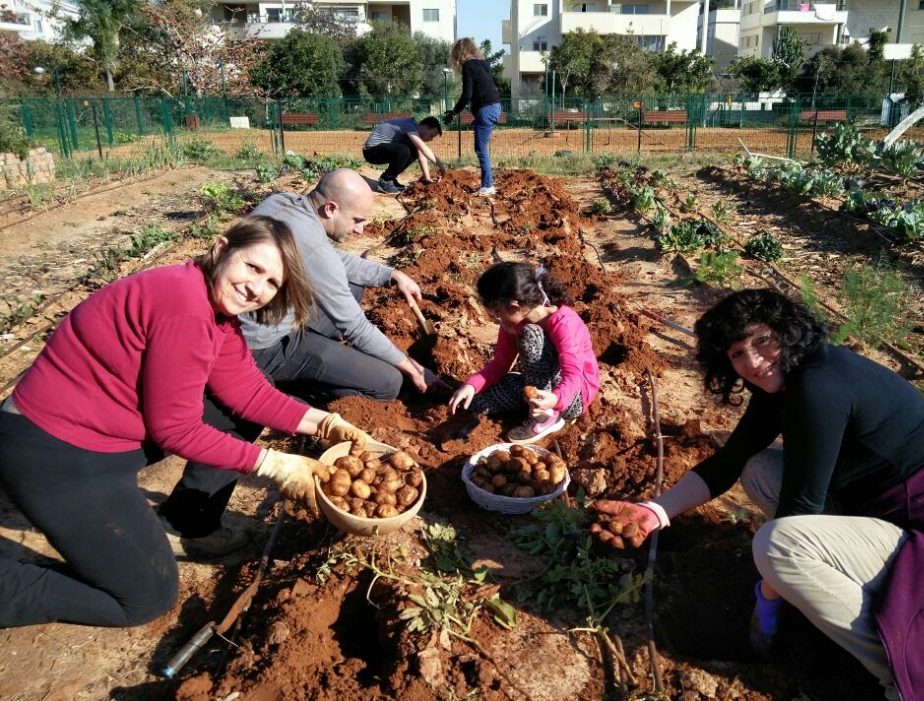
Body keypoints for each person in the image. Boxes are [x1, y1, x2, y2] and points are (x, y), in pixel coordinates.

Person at [589, 289, 924, 701]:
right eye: (737, 353)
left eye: (762, 342)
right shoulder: (785, 384)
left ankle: (908, 674)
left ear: (788, 333)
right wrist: (655, 512)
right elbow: (730, 461)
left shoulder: (821, 386)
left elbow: (801, 508)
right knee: (759, 469)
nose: (753, 362)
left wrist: (767, 605)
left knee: (778, 546)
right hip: (889, 514)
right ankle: (837, 599)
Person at [0, 216, 371, 629]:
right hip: (56, 454)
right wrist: (274, 464)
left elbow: (246, 391)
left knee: (232, 411)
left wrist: (327, 423)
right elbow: (175, 430)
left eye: (272, 284)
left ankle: (189, 520)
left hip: (106, 434)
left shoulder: (212, 307)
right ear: (220, 248)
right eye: (253, 268)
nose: (257, 289)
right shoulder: (185, 308)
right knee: (144, 600)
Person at [158, 169, 439, 553]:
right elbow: (352, 325)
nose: (361, 231)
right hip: (252, 352)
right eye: (357, 221)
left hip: (286, 333)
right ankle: (187, 523)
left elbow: (332, 262)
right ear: (329, 208)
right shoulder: (308, 242)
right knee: (238, 421)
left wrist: (390, 274)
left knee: (380, 371)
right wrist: (411, 366)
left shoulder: (285, 205)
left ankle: (294, 395)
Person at [449, 261, 600, 444]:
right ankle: (533, 403)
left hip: (571, 396)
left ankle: (546, 417)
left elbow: (573, 374)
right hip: (537, 384)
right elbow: (501, 363)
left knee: (530, 334)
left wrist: (554, 400)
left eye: (497, 312)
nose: (497, 318)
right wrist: (471, 385)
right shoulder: (513, 323)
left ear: (513, 306)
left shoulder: (564, 323)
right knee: (476, 402)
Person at [443, 37, 502, 197]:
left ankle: (488, 185)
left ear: (459, 53)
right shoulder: (484, 64)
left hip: (486, 109)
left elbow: (467, 94)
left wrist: (454, 112)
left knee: (480, 148)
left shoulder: (469, 65)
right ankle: (488, 182)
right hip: (495, 106)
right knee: (482, 147)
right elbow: (484, 89)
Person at [362, 115, 445, 194]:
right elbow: (423, 149)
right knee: (404, 150)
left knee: (413, 150)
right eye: (431, 135)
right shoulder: (409, 126)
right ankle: (386, 181)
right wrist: (442, 167)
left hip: (382, 150)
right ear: (425, 127)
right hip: (371, 152)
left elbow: (421, 155)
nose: (431, 139)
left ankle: (390, 178)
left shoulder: (413, 130)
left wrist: (427, 178)